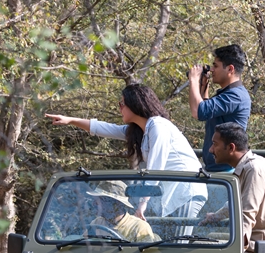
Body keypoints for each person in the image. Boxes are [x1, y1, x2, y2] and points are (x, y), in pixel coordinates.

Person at [45, 83, 205, 222]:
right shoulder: (141, 130)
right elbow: (105, 128)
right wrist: (70, 120)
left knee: (178, 247)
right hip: (171, 194)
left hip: (186, 192)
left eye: (122, 103)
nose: (119, 108)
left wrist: (142, 204)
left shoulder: (158, 126)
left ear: (135, 104)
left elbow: (156, 170)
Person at [201, 122, 265, 253]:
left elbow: (246, 215)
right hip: (253, 249)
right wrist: (215, 217)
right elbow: (236, 203)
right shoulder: (246, 167)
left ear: (231, 147)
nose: (210, 150)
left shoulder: (254, 169)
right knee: (200, 244)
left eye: (215, 144)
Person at [188, 44, 251, 172]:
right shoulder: (229, 93)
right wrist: (203, 86)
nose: (212, 70)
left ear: (230, 69)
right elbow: (207, 112)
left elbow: (197, 112)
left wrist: (193, 80)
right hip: (218, 168)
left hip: (225, 170)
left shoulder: (235, 96)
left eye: (216, 66)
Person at [85, 180, 157, 243]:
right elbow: (83, 248)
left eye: (100, 200)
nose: (94, 204)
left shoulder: (139, 227)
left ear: (117, 204)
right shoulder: (97, 223)